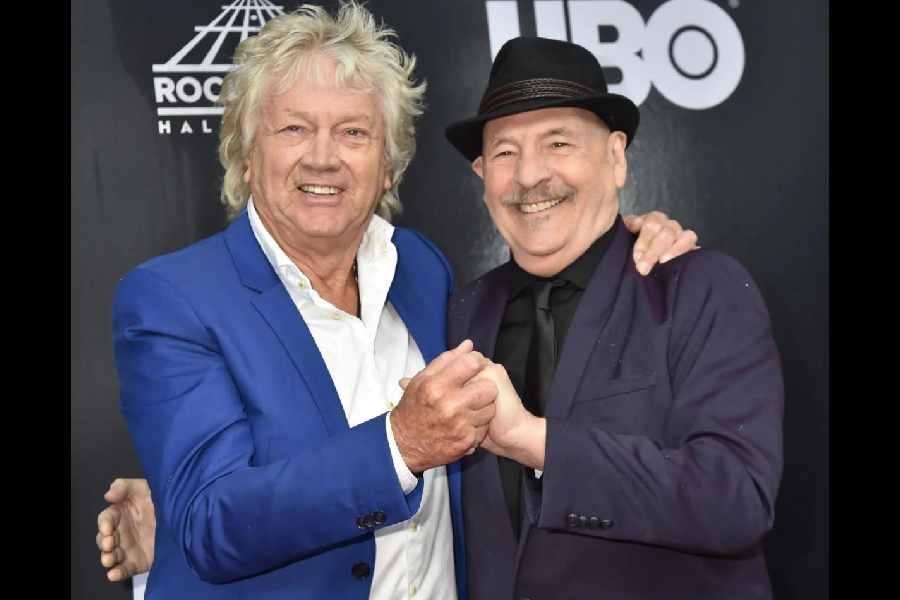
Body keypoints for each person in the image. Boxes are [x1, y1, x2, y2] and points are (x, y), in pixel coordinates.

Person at [96, 3, 697, 598]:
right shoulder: (173, 299)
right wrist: (399, 447)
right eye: (294, 128)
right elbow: (209, 521)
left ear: (388, 166)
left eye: (354, 132)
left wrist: (620, 240)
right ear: (248, 155)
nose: (323, 156)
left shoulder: (420, 268)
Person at [443, 37, 785, 599]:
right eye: (505, 152)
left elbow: (737, 500)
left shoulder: (702, 288)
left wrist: (535, 440)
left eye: (558, 143)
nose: (529, 176)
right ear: (482, 174)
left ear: (617, 157)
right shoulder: (459, 313)